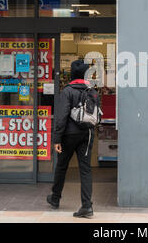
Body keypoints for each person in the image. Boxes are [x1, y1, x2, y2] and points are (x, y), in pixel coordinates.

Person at [47, 59, 98, 218]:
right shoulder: (92, 91)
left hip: (68, 135)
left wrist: (56, 139)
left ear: (72, 73)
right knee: (85, 169)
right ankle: (87, 206)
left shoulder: (67, 91)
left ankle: (55, 198)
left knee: (62, 166)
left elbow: (61, 118)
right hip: (87, 134)